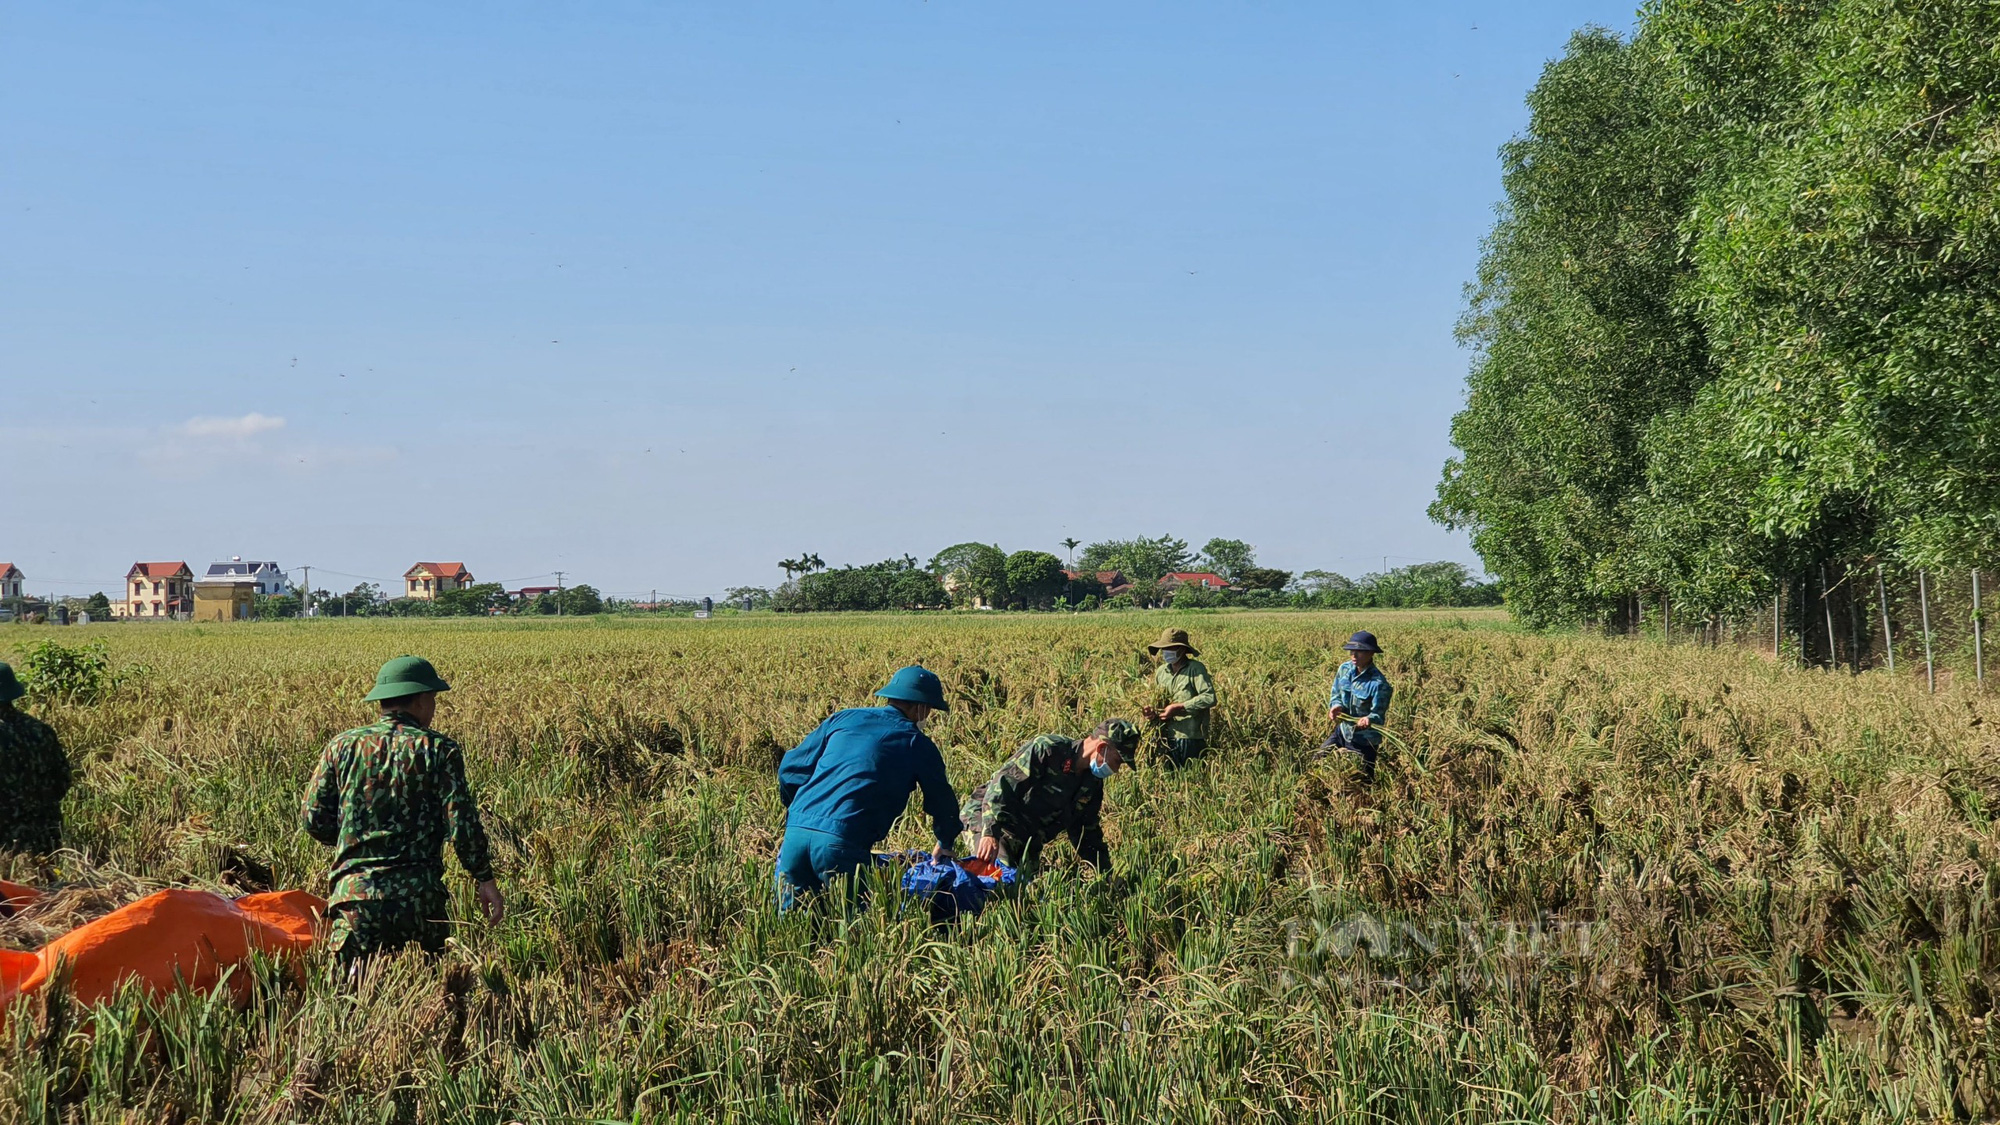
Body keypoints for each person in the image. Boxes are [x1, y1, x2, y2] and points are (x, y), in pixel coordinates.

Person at [302, 656, 504, 968]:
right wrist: (484, 878)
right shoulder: (439, 749)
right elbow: (461, 824)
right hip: (419, 901)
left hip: (356, 900)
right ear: (422, 700)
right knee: (428, 1000)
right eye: (434, 699)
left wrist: (356, 840)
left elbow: (314, 819)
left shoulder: (341, 746)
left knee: (350, 1001)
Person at [775, 665, 964, 910]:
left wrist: (800, 812)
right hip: (841, 844)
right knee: (853, 928)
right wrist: (945, 841)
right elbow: (941, 800)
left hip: (795, 837)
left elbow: (790, 769)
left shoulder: (844, 718)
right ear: (921, 706)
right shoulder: (915, 742)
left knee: (793, 926)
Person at [963, 718, 1139, 876]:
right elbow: (1002, 787)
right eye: (1117, 761)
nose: (1115, 770)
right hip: (990, 820)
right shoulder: (1048, 750)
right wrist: (989, 832)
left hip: (1026, 837)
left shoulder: (1091, 785)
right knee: (999, 876)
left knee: (1028, 890)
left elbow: (1087, 833)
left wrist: (1106, 874)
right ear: (1101, 748)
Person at [0, 662, 70, 854]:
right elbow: (63, 780)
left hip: (5, 840)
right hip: (45, 835)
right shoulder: (41, 730)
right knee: (46, 883)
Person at [1321, 631, 1393, 779]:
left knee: (1360, 780)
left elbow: (1378, 715)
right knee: (1319, 758)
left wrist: (1368, 719)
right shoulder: (1344, 669)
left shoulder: (1379, 684)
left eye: (1359, 651)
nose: (1354, 655)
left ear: (1371, 653)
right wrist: (1335, 706)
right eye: (1352, 651)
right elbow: (1335, 693)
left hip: (1364, 740)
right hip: (1343, 731)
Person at [1141, 628, 1217, 767]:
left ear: (1181, 650)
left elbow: (1209, 697)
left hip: (1191, 736)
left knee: (1191, 779)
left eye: (1170, 648)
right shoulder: (1161, 672)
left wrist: (1180, 707)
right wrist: (1152, 712)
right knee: (1170, 780)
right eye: (1164, 648)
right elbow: (1159, 702)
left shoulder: (1195, 668)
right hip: (1166, 737)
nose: (1165, 652)